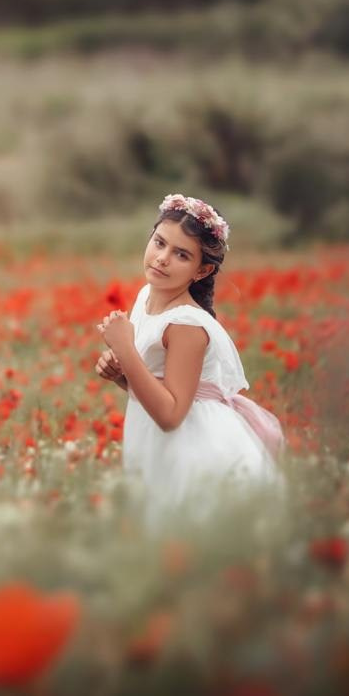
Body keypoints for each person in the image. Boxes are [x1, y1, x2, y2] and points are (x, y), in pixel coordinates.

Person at [95, 193, 286, 534]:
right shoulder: (146, 296)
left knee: (189, 534)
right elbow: (155, 386)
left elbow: (171, 415)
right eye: (159, 243)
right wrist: (121, 376)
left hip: (195, 446)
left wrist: (126, 350)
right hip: (155, 435)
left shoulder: (186, 324)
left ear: (202, 270)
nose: (162, 258)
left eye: (181, 254)